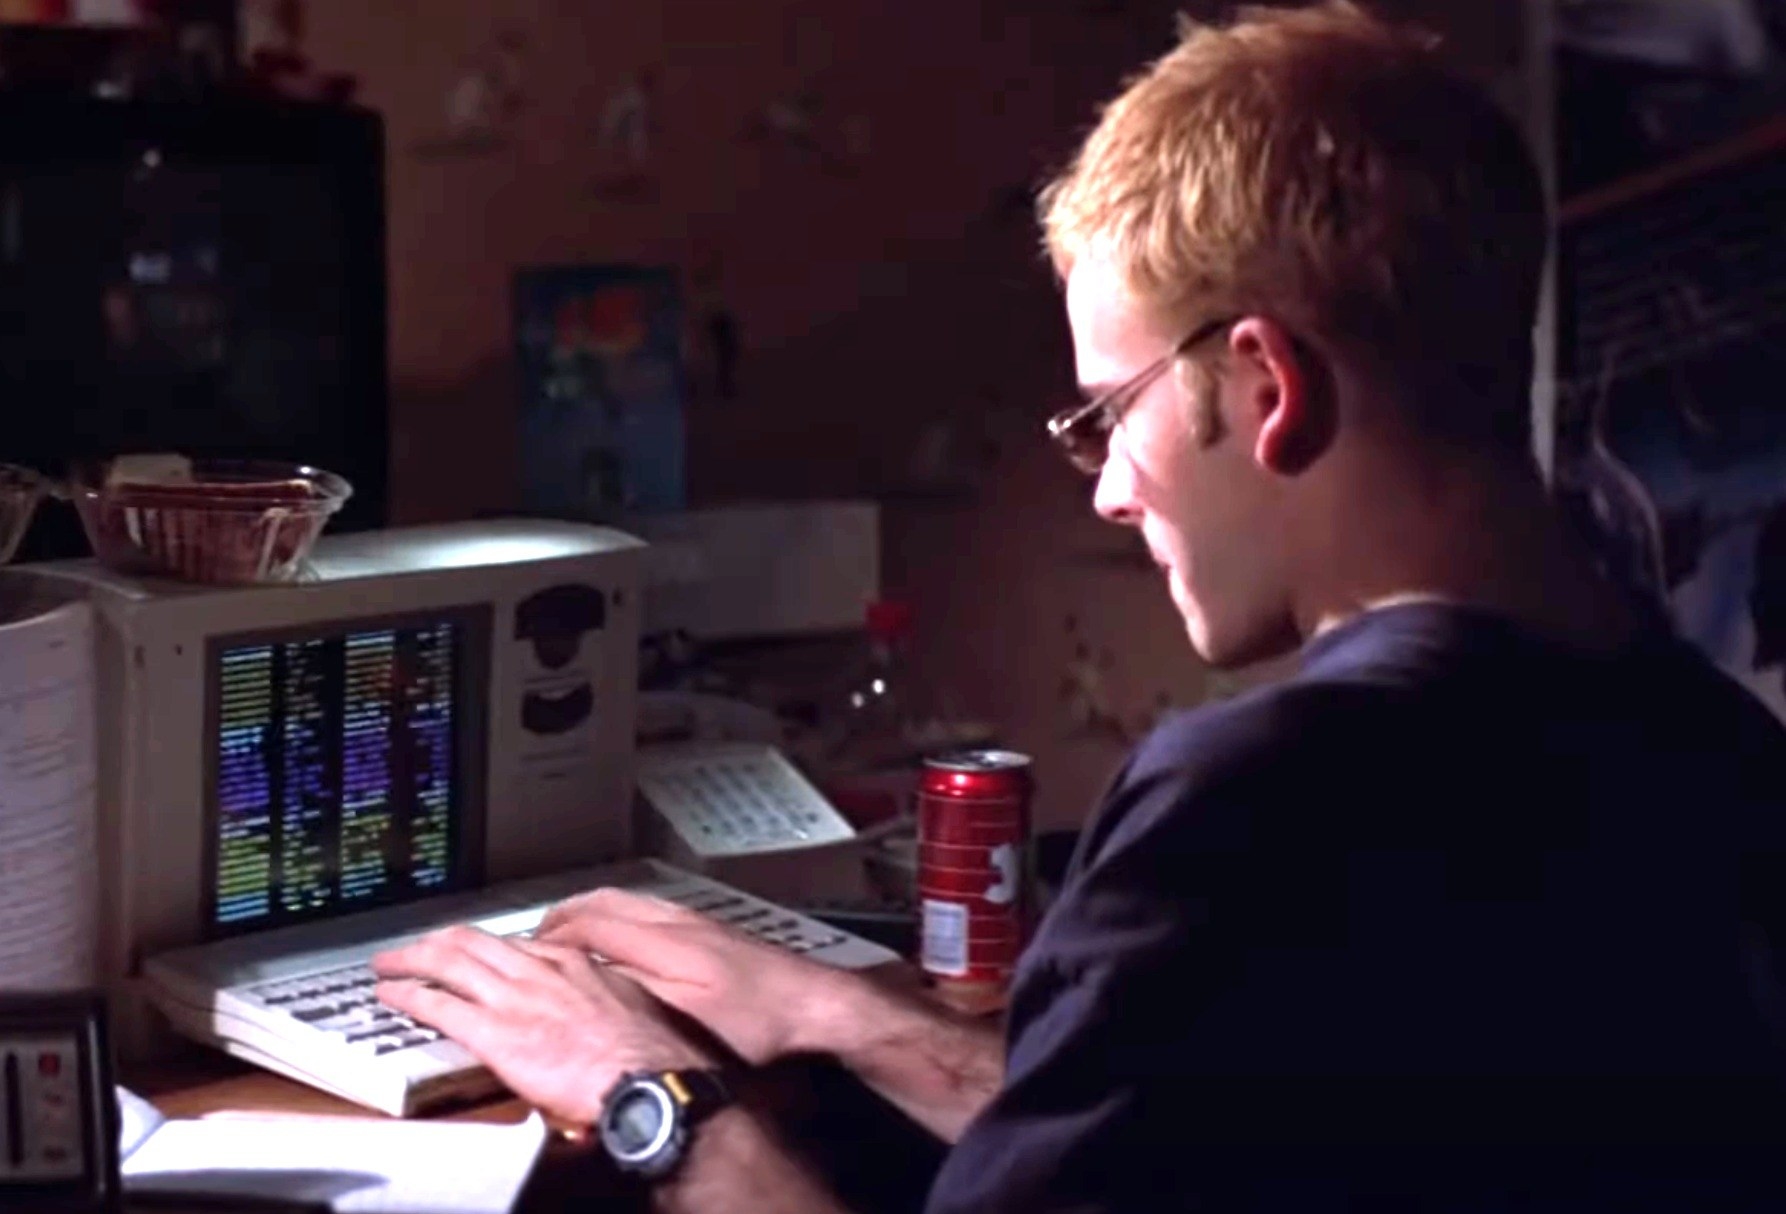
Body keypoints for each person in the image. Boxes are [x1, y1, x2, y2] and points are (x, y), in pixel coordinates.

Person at [372, 3, 1786, 1209]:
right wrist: (851, 1018)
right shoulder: (1714, 751)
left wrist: (649, 1095)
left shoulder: (1257, 805)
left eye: (1111, 414)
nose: (1107, 488)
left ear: (1261, 384)